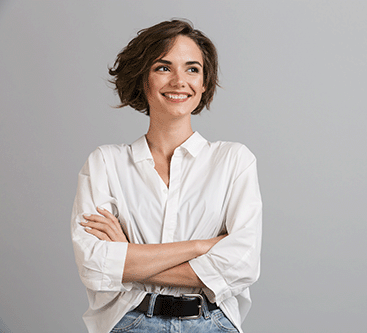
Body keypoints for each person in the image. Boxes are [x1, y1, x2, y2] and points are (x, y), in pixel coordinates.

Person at [70, 19, 262, 333]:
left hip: (212, 323)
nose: (179, 81)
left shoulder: (234, 160)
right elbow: (95, 265)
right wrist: (201, 247)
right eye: (163, 67)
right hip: (130, 323)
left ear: (203, 83)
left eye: (192, 69)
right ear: (142, 78)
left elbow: (241, 265)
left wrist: (129, 260)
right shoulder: (105, 163)